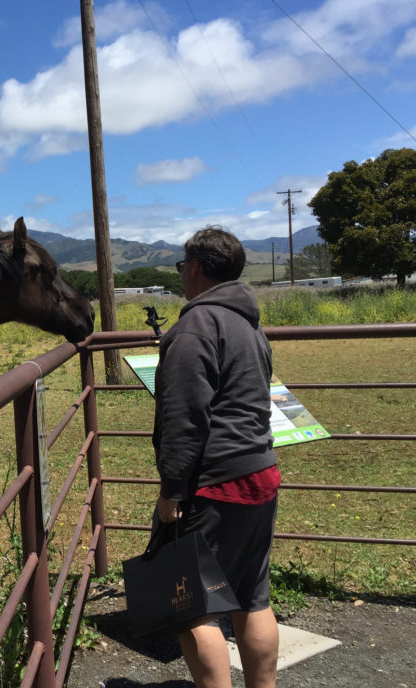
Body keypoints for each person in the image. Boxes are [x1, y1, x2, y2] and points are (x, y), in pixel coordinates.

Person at [152, 227, 280, 688]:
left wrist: (171, 491)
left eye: (183, 266)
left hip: (214, 482)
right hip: (261, 471)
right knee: (252, 597)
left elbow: (186, 419)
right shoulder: (249, 324)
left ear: (198, 268)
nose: (182, 273)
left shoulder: (195, 326)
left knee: (196, 608)